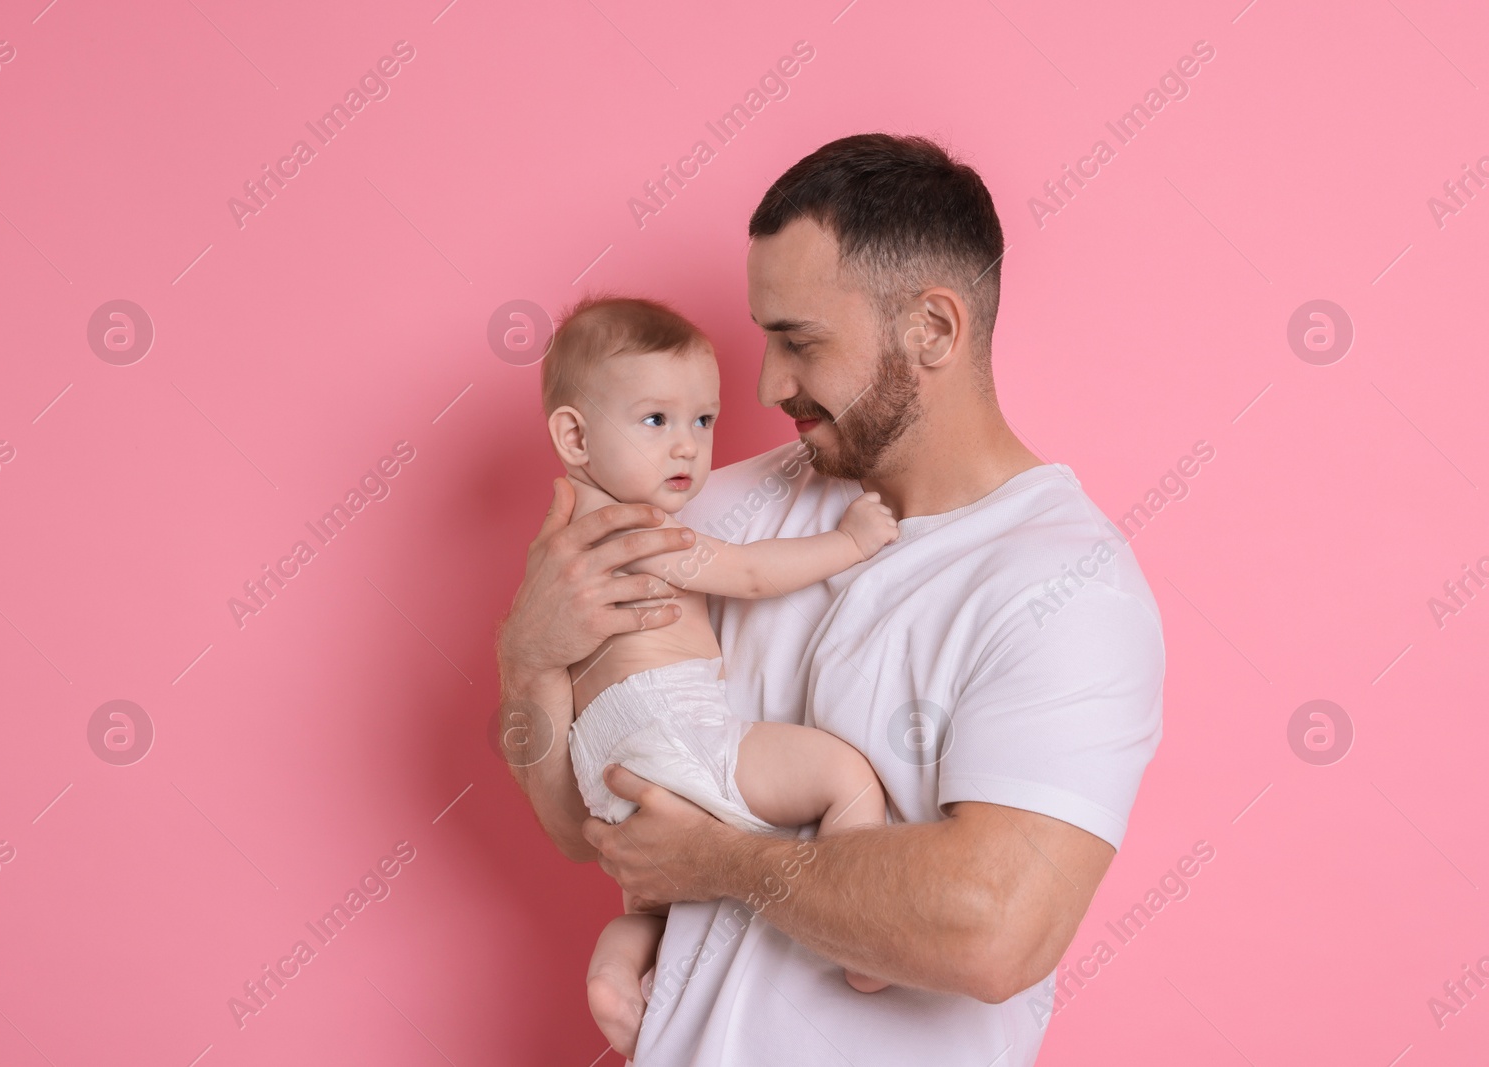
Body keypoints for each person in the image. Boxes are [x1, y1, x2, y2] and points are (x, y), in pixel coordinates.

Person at [497, 132, 1165, 1066]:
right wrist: (527, 663)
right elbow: (587, 828)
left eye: (799, 340)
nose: (768, 384)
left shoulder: (1066, 590)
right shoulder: (715, 512)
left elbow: (994, 930)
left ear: (931, 328)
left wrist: (718, 860)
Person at [534, 294, 900, 1056]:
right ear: (573, 435)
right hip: (674, 731)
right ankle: (865, 944)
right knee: (844, 774)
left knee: (664, 903)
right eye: (656, 420)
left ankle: (617, 965)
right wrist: (850, 542)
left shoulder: (560, 554)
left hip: (606, 765)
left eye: (703, 421)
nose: (687, 449)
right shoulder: (639, 532)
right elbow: (753, 573)